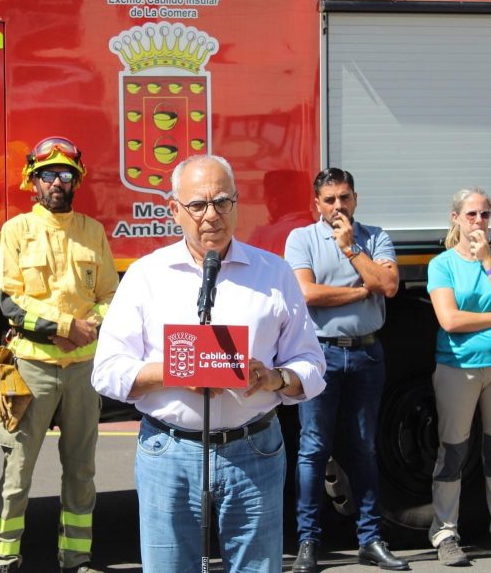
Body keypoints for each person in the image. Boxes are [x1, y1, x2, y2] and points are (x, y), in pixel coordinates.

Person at [93, 154, 326, 573]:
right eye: (197, 205)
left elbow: (311, 363)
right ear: (174, 210)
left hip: (255, 449)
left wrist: (274, 378)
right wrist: (177, 371)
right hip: (169, 452)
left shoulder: (274, 273)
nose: (211, 216)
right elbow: (107, 371)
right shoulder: (146, 276)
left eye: (222, 202)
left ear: (237, 204)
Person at [0, 136, 118, 573]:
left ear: (76, 180)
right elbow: (10, 301)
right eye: (48, 175)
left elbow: (109, 295)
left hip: (83, 366)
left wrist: (90, 326)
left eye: (65, 174)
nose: (57, 182)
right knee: (18, 472)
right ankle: (6, 558)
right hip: (32, 367)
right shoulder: (15, 231)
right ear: (33, 183)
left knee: (81, 470)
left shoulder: (93, 231)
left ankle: (76, 559)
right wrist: (64, 326)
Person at [285, 167, 409, 573]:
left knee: (363, 448)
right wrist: (361, 289)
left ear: (355, 199)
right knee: (313, 450)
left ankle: (370, 540)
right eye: (330, 199)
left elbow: (389, 286)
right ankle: (308, 542)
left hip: (366, 355)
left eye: (345, 198)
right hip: (318, 356)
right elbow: (306, 293)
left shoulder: (374, 237)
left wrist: (352, 249)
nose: (338, 206)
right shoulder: (301, 239)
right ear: (316, 204)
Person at [426, 187, 491, 565]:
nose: (479, 221)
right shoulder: (442, 265)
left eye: (485, 214)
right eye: (471, 214)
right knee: (453, 451)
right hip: (458, 368)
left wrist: (489, 262)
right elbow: (450, 320)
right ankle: (445, 532)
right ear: (455, 218)